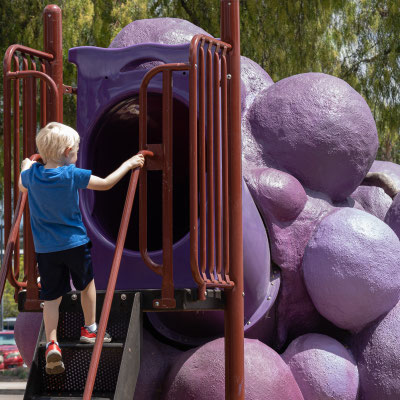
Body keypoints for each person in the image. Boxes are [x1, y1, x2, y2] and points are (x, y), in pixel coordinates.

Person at [18, 122, 145, 375]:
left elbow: (22, 184)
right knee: (87, 284)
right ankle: (90, 327)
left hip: (46, 250)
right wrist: (129, 164)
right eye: (76, 150)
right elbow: (107, 183)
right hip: (74, 244)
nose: (77, 154)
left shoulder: (32, 176)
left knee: (51, 298)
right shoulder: (71, 174)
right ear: (67, 151)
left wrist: (26, 165)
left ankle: (52, 342)